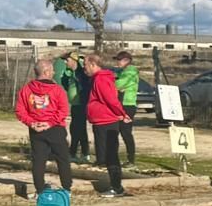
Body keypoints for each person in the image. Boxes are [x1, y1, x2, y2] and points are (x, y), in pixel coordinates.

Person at [14, 57, 73, 193]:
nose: (54, 73)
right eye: (52, 70)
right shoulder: (57, 90)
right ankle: (66, 188)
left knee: (39, 160)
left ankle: (39, 189)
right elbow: (63, 110)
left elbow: (20, 110)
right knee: (62, 158)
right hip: (55, 128)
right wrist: (50, 123)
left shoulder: (26, 89)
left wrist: (31, 123)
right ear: (46, 72)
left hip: (36, 130)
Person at [83, 53, 129, 198]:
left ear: (93, 64)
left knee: (111, 155)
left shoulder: (101, 80)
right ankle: (115, 185)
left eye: (85, 65)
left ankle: (117, 187)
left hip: (106, 121)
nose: (84, 69)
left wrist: (122, 113)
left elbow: (110, 99)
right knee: (106, 155)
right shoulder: (98, 79)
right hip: (101, 120)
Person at [56, 51, 89, 162]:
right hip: (75, 104)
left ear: (74, 60)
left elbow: (85, 88)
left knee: (78, 129)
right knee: (75, 129)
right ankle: (77, 153)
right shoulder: (69, 72)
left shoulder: (80, 73)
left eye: (67, 60)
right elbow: (65, 84)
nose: (65, 62)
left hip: (81, 105)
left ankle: (81, 153)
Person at [113, 51, 140, 165]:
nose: (117, 62)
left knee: (126, 132)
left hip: (127, 105)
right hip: (121, 104)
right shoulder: (123, 71)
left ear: (126, 61)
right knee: (117, 131)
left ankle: (131, 159)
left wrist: (115, 84)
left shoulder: (130, 72)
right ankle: (117, 158)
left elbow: (119, 84)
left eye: (119, 60)